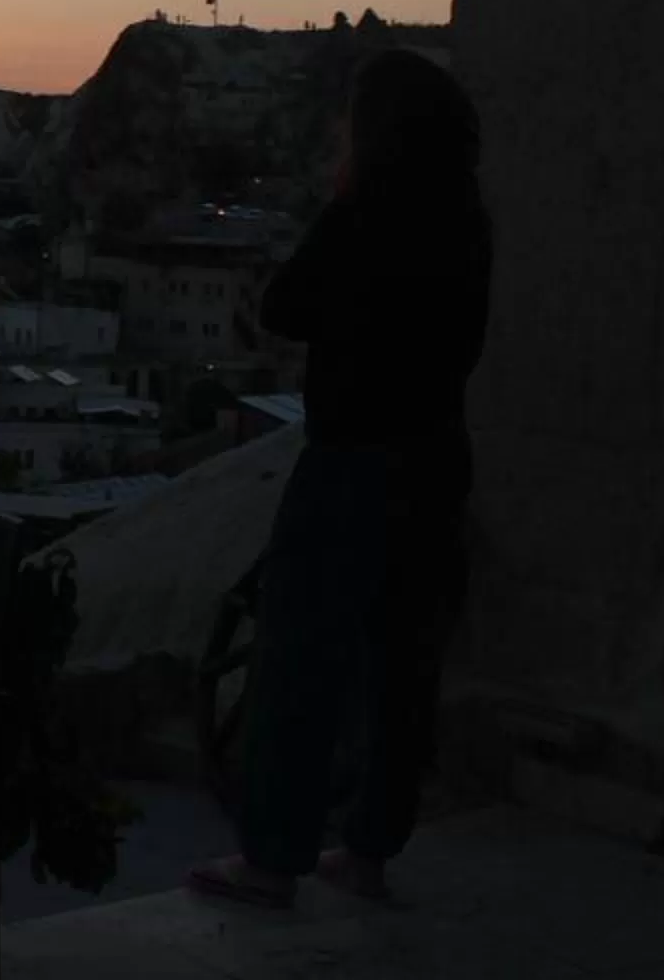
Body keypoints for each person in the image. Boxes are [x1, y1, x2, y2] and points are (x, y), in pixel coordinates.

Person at [190, 48, 491, 907]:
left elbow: (286, 307)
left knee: (298, 656)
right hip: (435, 457)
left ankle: (273, 855)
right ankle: (368, 851)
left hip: (354, 458)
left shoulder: (364, 216)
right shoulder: (467, 220)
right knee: (401, 662)